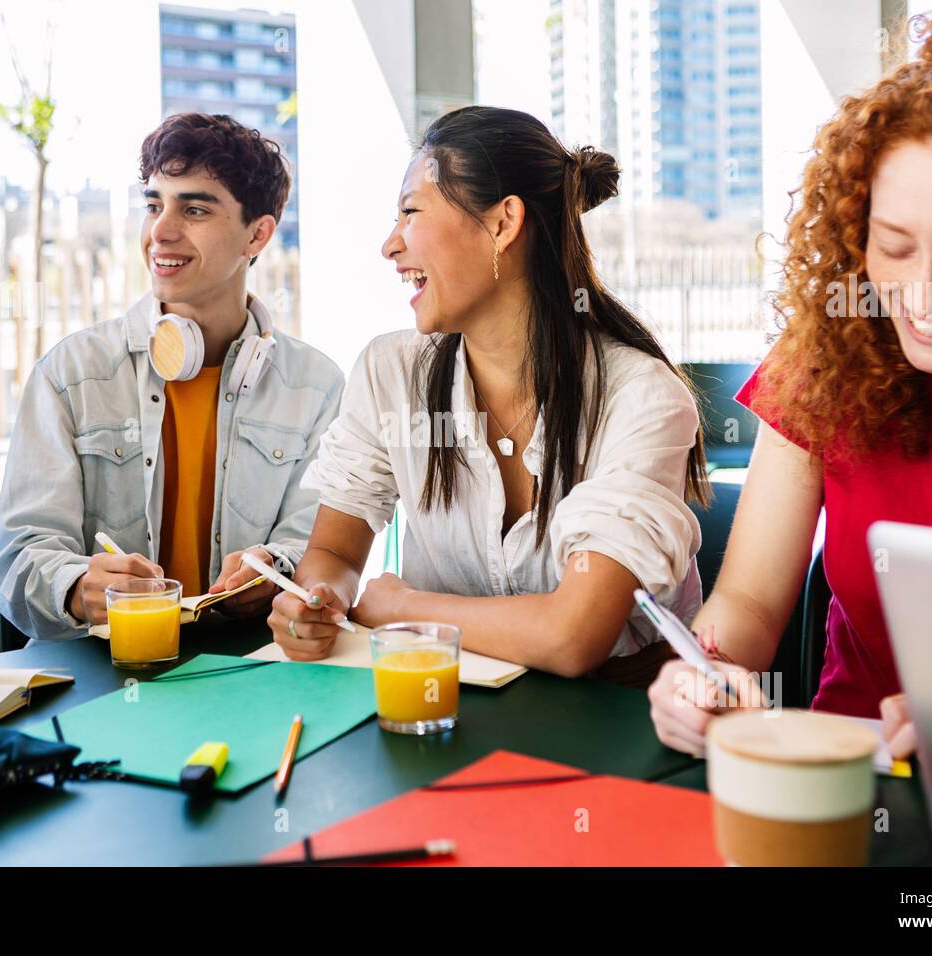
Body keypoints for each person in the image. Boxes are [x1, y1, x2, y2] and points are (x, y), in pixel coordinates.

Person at [649, 13, 932, 758]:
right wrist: (704, 672)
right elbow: (748, 604)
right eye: (894, 246)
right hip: (852, 772)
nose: (923, 294)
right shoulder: (831, 358)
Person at [268, 106, 709, 685]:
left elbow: (574, 635)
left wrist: (402, 610)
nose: (389, 245)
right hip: (448, 708)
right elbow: (337, 554)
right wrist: (319, 596)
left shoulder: (642, 397)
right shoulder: (389, 372)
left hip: (620, 718)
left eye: (410, 212)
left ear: (503, 224)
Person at [0, 113, 344, 641]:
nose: (160, 230)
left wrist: (278, 568)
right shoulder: (71, 375)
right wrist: (73, 586)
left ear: (258, 233)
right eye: (154, 205)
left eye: (194, 208)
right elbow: (16, 559)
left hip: (251, 670)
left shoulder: (316, 387)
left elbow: (319, 546)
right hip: (106, 675)